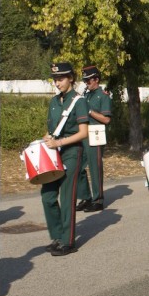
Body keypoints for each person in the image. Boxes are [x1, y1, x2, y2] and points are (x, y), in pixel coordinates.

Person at [42, 63, 89, 256]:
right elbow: (52, 129)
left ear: (71, 78)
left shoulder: (79, 101)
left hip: (72, 151)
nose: (57, 82)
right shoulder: (54, 101)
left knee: (67, 196)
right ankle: (57, 235)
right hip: (55, 152)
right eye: (55, 79)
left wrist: (59, 141)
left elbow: (83, 133)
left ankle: (68, 242)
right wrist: (46, 139)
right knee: (47, 195)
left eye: (61, 78)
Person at [75, 66, 112, 213]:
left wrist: (89, 111)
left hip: (95, 134)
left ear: (96, 79)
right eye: (84, 80)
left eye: (88, 80)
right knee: (78, 166)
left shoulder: (103, 96)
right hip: (83, 134)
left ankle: (98, 200)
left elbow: (106, 119)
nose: (86, 83)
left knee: (95, 168)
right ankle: (86, 197)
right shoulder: (86, 94)